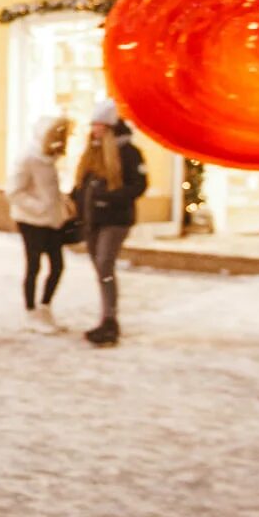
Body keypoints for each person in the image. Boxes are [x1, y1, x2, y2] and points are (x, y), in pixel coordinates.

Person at [71, 100, 148, 348]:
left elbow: (138, 185)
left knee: (105, 263)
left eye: (99, 125)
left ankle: (110, 321)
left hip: (115, 220)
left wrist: (108, 199)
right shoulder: (92, 151)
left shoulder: (129, 153)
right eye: (93, 125)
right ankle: (107, 315)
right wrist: (76, 203)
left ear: (110, 126)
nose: (94, 130)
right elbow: (82, 184)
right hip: (93, 219)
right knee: (101, 268)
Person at [7, 116, 74, 332]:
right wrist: (40, 207)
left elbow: (48, 190)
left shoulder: (49, 160)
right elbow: (14, 191)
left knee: (57, 266)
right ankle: (31, 311)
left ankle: (44, 307)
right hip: (31, 221)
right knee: (34, 266)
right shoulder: (28, 158)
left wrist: (61, 204)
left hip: (51, 221)